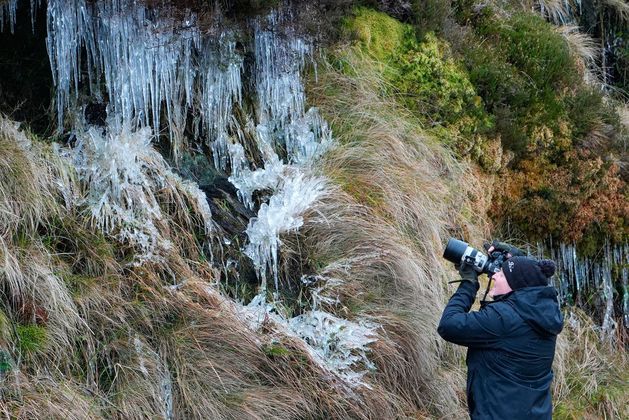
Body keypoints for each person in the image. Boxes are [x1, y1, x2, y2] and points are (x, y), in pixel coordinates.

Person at [437, 241, 564, 420]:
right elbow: (527, 277)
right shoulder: (542, 311)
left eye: (502, 275)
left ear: (514, 286)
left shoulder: (505, 318)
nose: (495, 276)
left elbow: (449, 325)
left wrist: (468, 284)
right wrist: (514, 256)